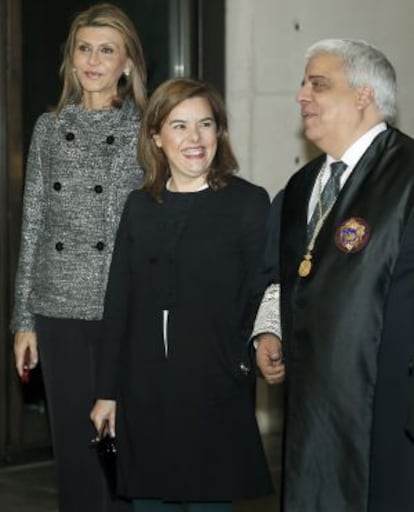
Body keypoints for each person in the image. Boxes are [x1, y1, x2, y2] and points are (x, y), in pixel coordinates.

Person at [90, 77, 274, 512]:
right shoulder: (139, 206)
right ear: (156, 136)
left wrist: (243, 360)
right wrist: (107, 392)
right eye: (179, 126)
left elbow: (262, 292)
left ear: (219, 132)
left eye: (205, 125)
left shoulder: (248, 203)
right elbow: (119, 303)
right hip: (145, 395)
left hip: (213, 390)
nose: (194, 138)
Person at [254, 38, 414, 512]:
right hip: (311, 414)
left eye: (318, 84)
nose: (302, 96)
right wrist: (268, 329)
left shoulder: (409, 175)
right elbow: (282, 276)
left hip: (388, 409)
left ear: (363, 95)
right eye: (303, 85)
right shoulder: (303, 186)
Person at [10, 3, 147, 511]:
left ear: (127, 63)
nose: (93, 60)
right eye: (84, 48)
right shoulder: (49, 127)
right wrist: (23, 320)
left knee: (122, 444)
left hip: (120, 303)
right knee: (72, 445)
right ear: (70, 58)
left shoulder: (146, 129)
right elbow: (34, 223)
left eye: (106, 50)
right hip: (57, 303)